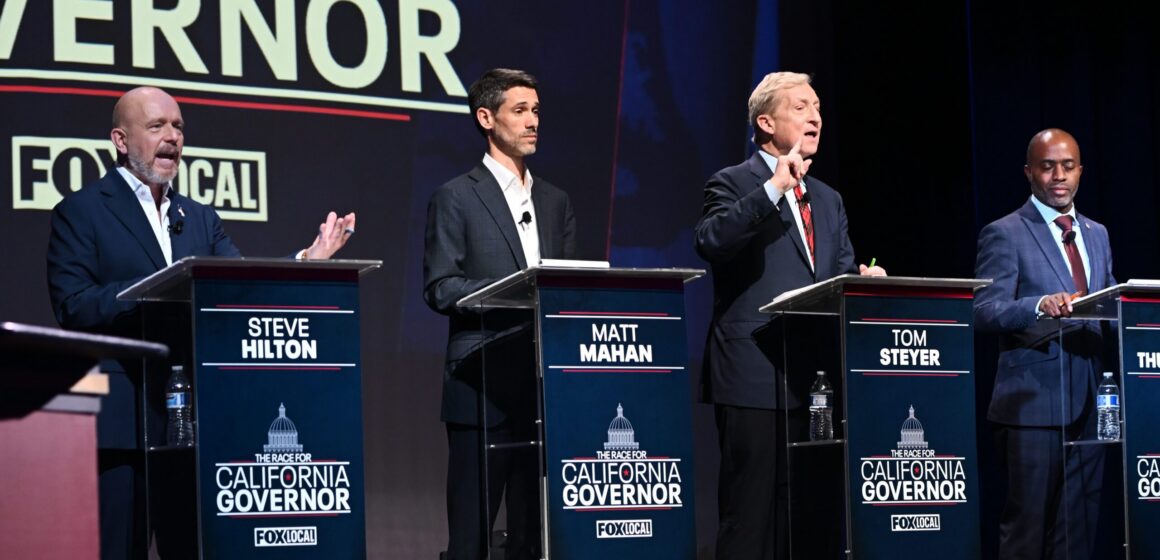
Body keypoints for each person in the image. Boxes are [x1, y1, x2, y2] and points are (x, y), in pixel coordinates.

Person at [45, 86, 356, 559]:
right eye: (157, 127)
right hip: (124, 424)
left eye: (178, 127)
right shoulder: (82, 211)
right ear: (121, 140)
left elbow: (238, 288)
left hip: (195, 425)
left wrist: (306, 259)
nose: (172, 137)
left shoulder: (200, 218)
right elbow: (74, 307)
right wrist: (155, 288)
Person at [693, 72, 883, 559]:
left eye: (818, 106)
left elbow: (836, 275)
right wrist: (774, 187)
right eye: (801, 107)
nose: (816, 116)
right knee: (750, 515)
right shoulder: (732, 183)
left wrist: (862, 284)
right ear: (765, 121)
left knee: (810, 515)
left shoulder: (828, 198)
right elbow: (713, 242)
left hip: (815, 380)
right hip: (751, 374)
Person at [423, 68, 575, 560]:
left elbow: (567, 289)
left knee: (534, 538)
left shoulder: (555, 201)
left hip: (542, 392)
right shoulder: (456, 196)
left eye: (536, 111)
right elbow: (442, 287)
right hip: (480, 384)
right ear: (486, 118)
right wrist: (515, 291)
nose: (533, 122)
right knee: (471, 538)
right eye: (520, 111)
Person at [974, 128, 1115, 559]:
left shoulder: (1097, 233)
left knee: (1077, 532)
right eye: (1048, 166)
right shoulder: (1006, 232)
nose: (1059, 175)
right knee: (1027, 529)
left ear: (1080, 172)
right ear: (1029, 172)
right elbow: (984, 310)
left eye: (1068, 166)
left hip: (1092, 402)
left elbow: (1107, 301)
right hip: (1032, 404)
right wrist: (1038, 305)